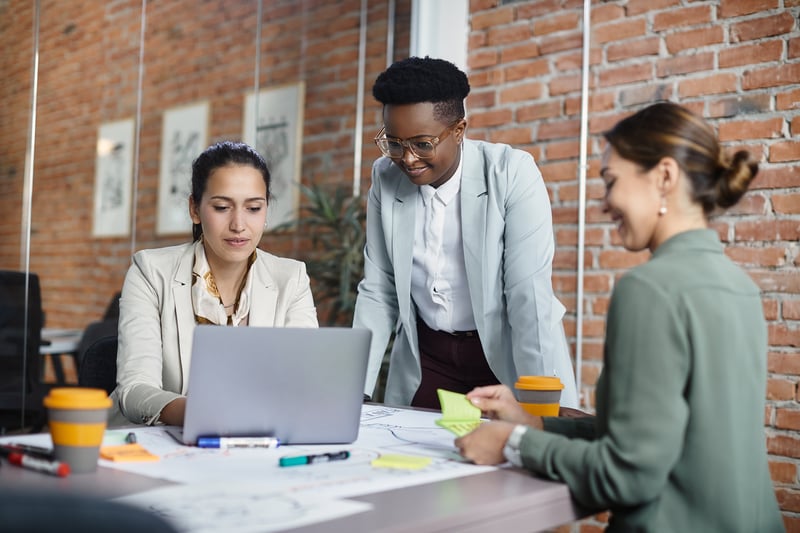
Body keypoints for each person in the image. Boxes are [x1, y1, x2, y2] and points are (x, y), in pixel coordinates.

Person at [456, 102, 784, 532]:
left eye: (611, 183)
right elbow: (654, 438)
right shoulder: (739, 286)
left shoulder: (649, 290)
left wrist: (514, 445)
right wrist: (534, 423)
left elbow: (628, 473)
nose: (605, 203)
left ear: (665, 176)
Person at [353, 56, 578, 409]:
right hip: (430, 359)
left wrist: (543, 406)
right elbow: (379, 289)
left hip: (504, 356)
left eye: (422, 144)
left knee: (515, 455)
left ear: (459, 131)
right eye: (395, 143)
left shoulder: (511, 173)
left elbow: (527, 295)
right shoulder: (385, 177)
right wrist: (355, 388)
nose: (407, 159)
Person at [109, 141, 318, 426]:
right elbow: (134, 390)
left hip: (253, 442)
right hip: (158, 443)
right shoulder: (150, 271)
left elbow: (303, 382)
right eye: (221, 207)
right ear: (195, 209)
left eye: (254, 208)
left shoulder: (290, 278)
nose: (239, 225)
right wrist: (202, 415)